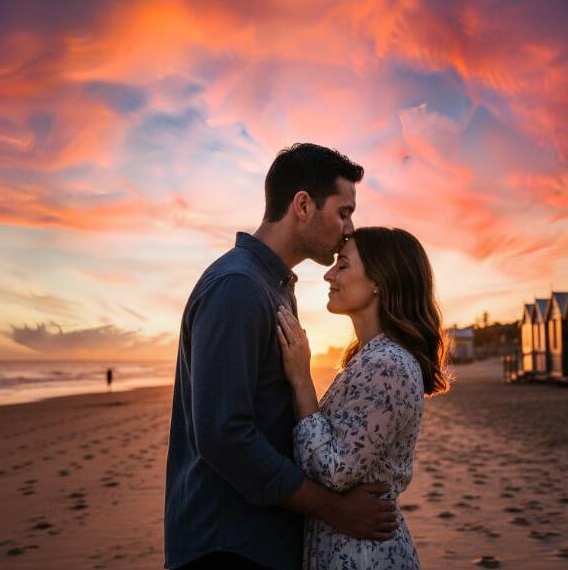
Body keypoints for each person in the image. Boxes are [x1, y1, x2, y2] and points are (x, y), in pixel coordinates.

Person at [164, 144, 398, 570]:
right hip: (227, 545)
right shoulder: (237, 287)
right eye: (344, 211)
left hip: (259, 540)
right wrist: (333, 507)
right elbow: (224, 435)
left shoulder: (270, 285)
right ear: (303, 205)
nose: (349, 228)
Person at [276, 227, 451, 569]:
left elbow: (335, 470)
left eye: (342, 265)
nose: (329, 274)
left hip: (364, 554)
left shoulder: (388, 364)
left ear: (379, 281)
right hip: (350, 546)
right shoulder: (371, 357)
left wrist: (300, 378)